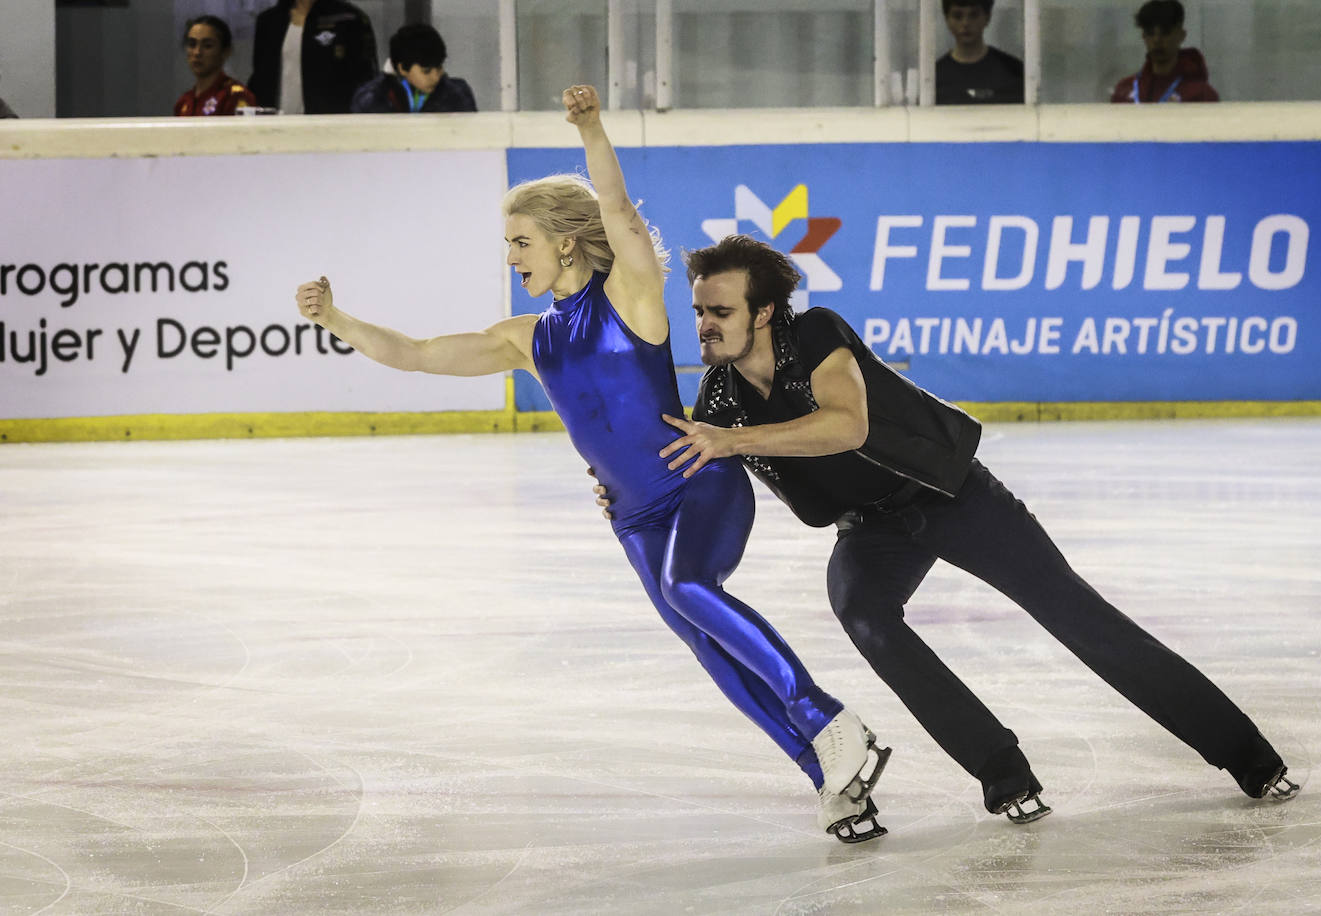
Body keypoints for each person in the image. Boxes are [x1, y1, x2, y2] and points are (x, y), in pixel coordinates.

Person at [294, 86, 890, 844]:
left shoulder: (631, 298)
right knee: (705, 646)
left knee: (688, 587)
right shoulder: (526, 338)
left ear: (565, 242)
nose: (510, 258)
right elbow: (415, 355)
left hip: (696, 481)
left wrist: (591, 129)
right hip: (634, 518)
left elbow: (620, 213)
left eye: (521, 243)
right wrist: (336, 318)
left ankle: (827, 719)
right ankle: (833, 782)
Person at [595, 234, 1300, 823]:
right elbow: (682, 460)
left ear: (767, 310)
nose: (705, 325)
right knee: (862, 610)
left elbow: (847, 424)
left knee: (1075, 614)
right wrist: (627, 488)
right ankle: (1001, 769)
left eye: (720, 311)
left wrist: (734, 441)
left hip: (949, 493)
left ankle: (1248, 756)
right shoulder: (718, 397)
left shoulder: (815, 334)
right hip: (870, 527)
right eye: (699, 312)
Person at [249, 0, 377, 114]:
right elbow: (260, 79)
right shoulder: (269, 21)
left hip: (332, 125)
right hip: (277, 125)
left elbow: (366, 81)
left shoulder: (348, 19)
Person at [350, 23, 477, 114]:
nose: (435, 77)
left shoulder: (457, 94)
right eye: (426, 71)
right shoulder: (372, 98)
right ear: (403, 68)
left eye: (439, 67)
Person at [1110, 0, 1219, 103]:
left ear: (1181, 35)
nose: (1157, 40)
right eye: (1150, 33)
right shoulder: (1124, 91)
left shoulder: (1200, 94)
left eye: (1165, 32)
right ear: (1143, 36)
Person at [935, 0, 1024, 105]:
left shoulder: (1014, 71)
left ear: (987, 17)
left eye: (973, 15)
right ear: (947, 20)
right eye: (957, 16)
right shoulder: (934, 77)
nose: (965, 23)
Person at [175, 15, 258, 117]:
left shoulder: (235, 96)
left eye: (207, 46)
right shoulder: (184, 101)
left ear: (225, 51)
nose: (197, 52)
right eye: (192, 44)